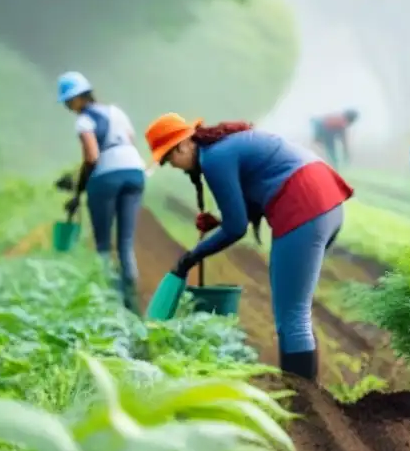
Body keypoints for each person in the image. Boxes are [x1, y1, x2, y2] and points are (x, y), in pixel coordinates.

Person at [144, 113, 353, 381]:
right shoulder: (224, 147)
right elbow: (250, 201)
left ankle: (306, 405)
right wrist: (219, 221)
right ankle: (311, 402)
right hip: (327, 202)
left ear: (183, 145)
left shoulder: (214, 158)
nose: (173, 166)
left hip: (304, 207)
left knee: (292, 317)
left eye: (169, 159)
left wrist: (189, 258)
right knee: (296, 312)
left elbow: (236, 227)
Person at [56, 71, 146, 312]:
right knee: (126, 243)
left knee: (104, 244)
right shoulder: (117, 112)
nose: (68, 106)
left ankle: (109, 303)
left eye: (68, 101)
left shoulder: (84, 120)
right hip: (135, 171)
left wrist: (79, 190)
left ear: (78, 98)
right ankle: (132, 303)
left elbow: (92, 157)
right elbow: (130, 141)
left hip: (106, 176)